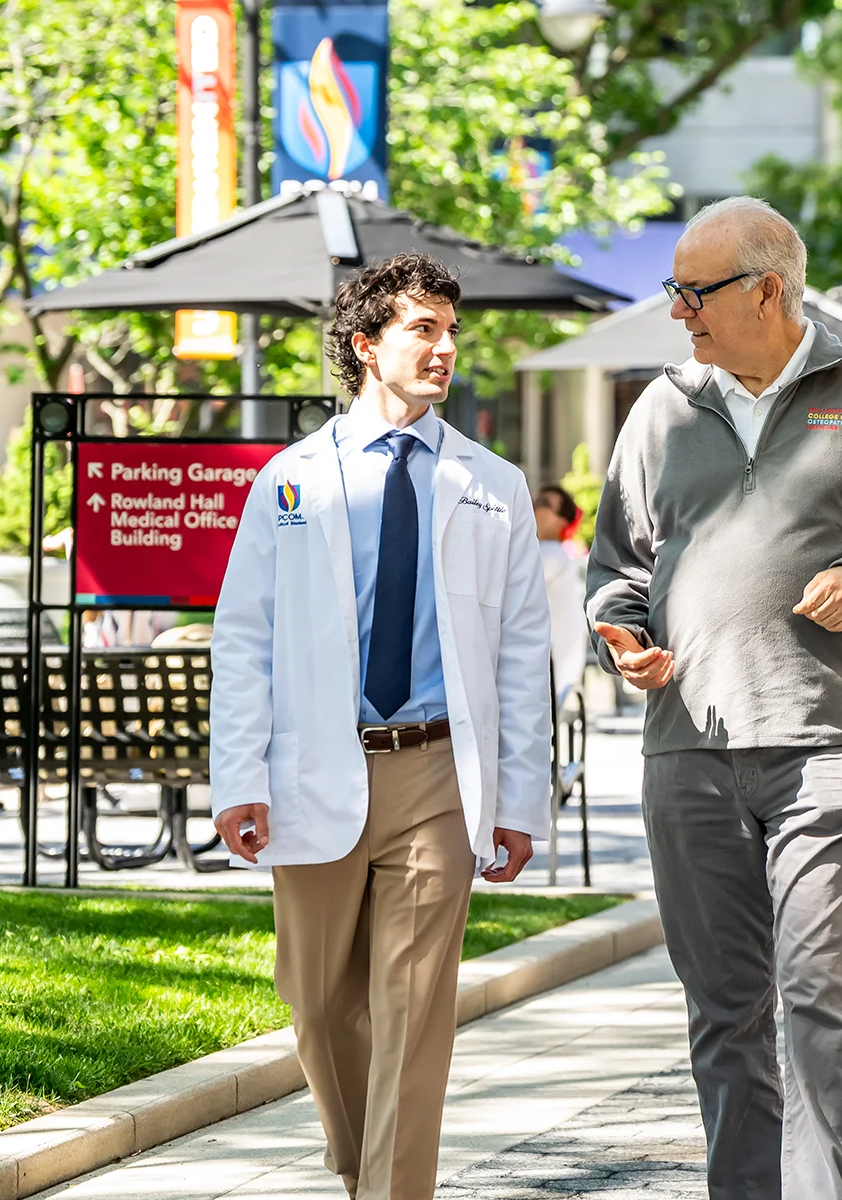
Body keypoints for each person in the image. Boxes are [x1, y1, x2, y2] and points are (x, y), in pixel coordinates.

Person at [584, 196, 842, 1200]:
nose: (677, 311)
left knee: (821, 996)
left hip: (825, 745)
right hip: (686, 747)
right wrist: (624, 635)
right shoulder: (660, 407)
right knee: (723, 1007)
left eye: (693, 291)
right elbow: (618, 568)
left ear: (767, 289)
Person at [210, 252, 551, 1200]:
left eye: (451, 331)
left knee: (414, 1009)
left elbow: (524, 656)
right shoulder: (291, 481)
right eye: (423, 330)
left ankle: (395, 1190)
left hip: (439, 773)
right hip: (319, 766)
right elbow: (244, 641)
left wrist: (521, 798)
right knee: (317, 1007)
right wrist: (238, 777)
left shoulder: (494, 486)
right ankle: (366, 1168)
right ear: (365, 345)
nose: (446, 348)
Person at [533, 485, 588, 703]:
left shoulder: (551, 553)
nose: (535, 505)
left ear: (561, 522)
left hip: (552, 670)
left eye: (545, 504)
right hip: (555, 669)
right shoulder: (550, 552)